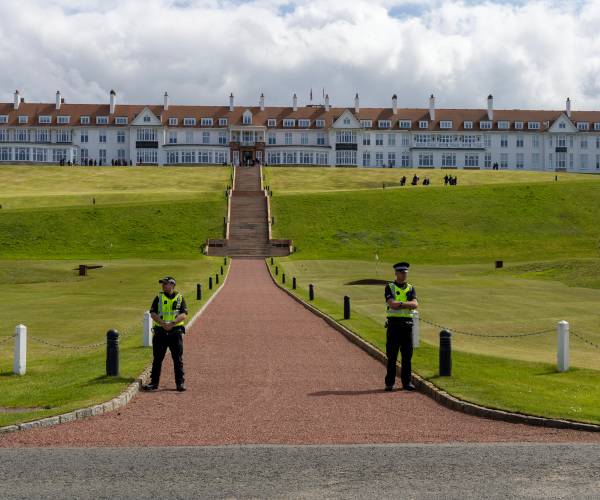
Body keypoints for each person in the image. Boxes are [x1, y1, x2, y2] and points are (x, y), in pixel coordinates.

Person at [143, 276, 188, 392]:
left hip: (175, 332)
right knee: (157, 359)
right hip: (160, 332)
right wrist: (163, 323)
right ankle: (154, 383)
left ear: (172, 285)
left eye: (165, 283)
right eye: (162, 284)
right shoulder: (158, 297)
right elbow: (153, 313)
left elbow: (184, 314)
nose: (163, 285)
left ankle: (180, 383)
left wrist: (173, 323)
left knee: (177, 359)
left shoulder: (180, 298)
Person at [384, 262, 419, 391]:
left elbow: (415, 304)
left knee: (407, 356)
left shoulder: (410, 288)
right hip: (394, 326)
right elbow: (392, 304)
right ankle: (389, 383)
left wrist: (400, 304)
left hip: (407, 326)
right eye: (401, 272)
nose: (403, 275)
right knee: (392, 356)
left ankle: (407, 382)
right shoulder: (390, 287)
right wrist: (406, 304)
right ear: (396, 273)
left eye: (405, 272)